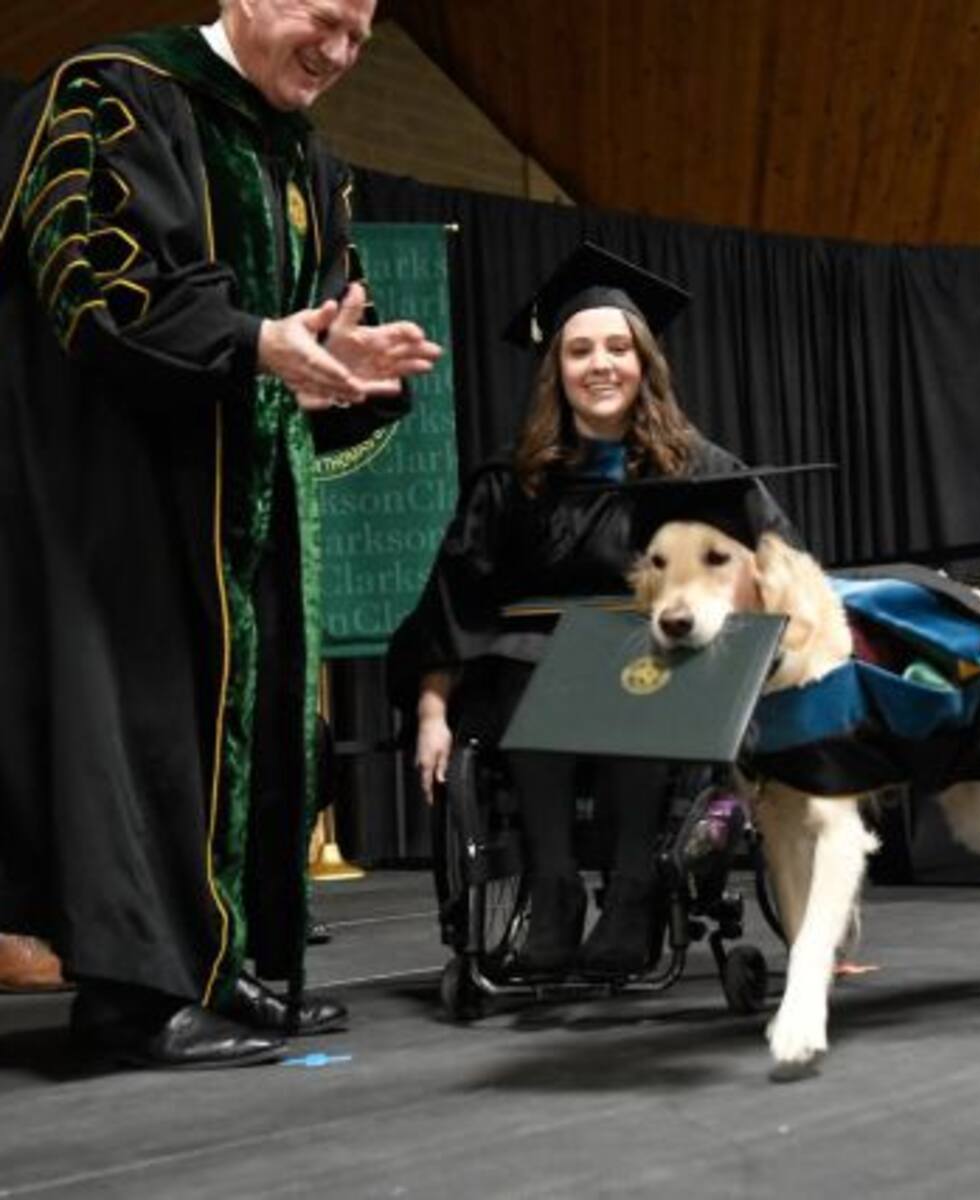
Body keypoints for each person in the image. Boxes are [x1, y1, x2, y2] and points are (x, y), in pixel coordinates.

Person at [0, 0, 442, 1068]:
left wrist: (348, 362)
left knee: (243, 723)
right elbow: (95, 287)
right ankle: (135, 997)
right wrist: (254, 341)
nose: (339, 55)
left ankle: (218, 964)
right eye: (323, 22)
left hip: (243, 504)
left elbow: (315, 324)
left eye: (359, 38)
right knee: (138, 720)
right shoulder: (112, 94)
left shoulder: (307, 160)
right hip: (116, 495)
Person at [389, 242, 794, 976]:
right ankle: (555, 893)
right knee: (531, 665)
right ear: (558, 370)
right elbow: (452, 604)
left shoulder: (698, 473)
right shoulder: (511, 484)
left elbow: (780, 569)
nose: (600, 364)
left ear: (644, 363)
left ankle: (635, 891)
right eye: (579, 350)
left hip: (660, 678)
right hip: (527, 682)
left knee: (635, 664)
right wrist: (430, 715)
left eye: (617, 348)